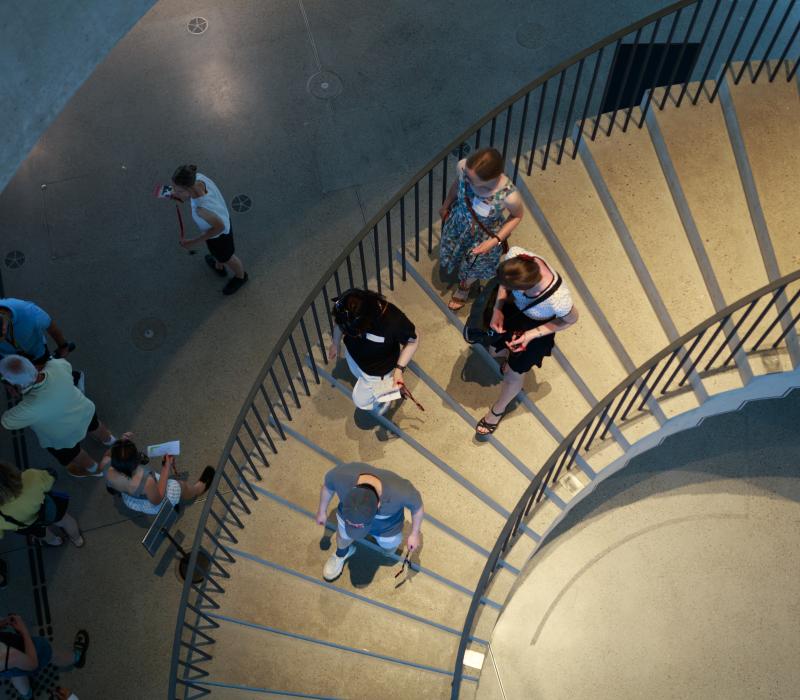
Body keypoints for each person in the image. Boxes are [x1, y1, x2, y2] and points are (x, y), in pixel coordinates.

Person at [476, 246, 578, 438]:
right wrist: (498, 308)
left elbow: (571, 319)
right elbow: (504, 286)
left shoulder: (558, 300)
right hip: (513, 313)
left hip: (534, 327)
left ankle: (497, 411)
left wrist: (532, 334)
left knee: (514, 375)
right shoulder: (517, 256)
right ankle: (506, 355)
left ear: (524, 289)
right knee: (495, 349)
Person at [0, 356, 114, 478]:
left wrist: (17, 394)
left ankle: (95, 469)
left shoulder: (26, 409)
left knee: (74, 453)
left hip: (64, 437)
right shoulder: (56, 366)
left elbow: (6, 421)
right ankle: (110, 441)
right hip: (85, 412)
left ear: (15, 386)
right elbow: (64, 364)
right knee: (96, 425)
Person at [438, 148, 524, 311]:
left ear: (490, 179)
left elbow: (517, 216)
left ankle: (464, 289)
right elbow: (457, 184)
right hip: (458, 224)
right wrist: (446, 205)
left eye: (471, 179)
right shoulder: (464, 168)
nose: (467, 178)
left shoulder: (508, 196)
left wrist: (495, 240)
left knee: (473, 267)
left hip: (483, 237)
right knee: (453, 254)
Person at [315, 462, 424, 582]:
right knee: (343, 536)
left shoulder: (400, 491)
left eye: (359, 527)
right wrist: (322, 511)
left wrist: (414, 534)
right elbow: (328, 486)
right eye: (353, 526)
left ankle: (386, 551)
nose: (355, 531)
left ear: (379, 504)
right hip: (346, 517)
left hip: (387, 527)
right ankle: (341, 553)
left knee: (390, 545)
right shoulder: (341, 476)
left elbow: (417, 507)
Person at [327, 289, 419, 415]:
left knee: (361, 401)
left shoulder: (393, 321)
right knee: (356, 373)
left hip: (376, 371)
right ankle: (382, 387)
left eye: (354, 331)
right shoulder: (351, 303)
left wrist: (398, 370)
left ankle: (386, 394)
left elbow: (413, 340)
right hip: (354, 355)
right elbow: (339, 324)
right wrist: (335, 342)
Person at [170, 164, 249, 296]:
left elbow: (219, 228)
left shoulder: (202, 209)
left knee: (228, 257)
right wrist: (179, 195)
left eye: (177, 190)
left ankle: (241, 277)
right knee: (218, 253)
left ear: (189, 189)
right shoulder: (198, 178)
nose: (173, 192)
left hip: (220, 236)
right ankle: (219, 266)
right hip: (216, 230)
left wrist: (193, 242)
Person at [103, 435, 214, 515]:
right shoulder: (146, 481)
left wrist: (121, 446)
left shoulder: (105, 464)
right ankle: (197, 490)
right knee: (180, 485)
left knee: (159, 479)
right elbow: (158, 499)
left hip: (129, 499)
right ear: (135, 460)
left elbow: (109, 453)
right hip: (150, 503)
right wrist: (166, 467)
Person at [0, 614, 88, 700]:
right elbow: (32, 663)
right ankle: (76, 657)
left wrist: (3, 622)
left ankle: (27, 696)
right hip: (20, 653)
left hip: (6, 666)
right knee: (49, 653)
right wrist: (23, 631)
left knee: (15, 674)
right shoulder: (9, 655)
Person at [0, 461, 83, 547]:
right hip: (49, 509)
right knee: (66, 521)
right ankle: (77, 539)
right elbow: (50, 479)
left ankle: (56, 542)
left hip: (27, 526)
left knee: (43, 535)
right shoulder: (30, 476)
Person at [0, 298, 73, 366]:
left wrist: (63, 346)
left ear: (3, 329)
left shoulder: (29, 313)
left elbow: (51, 327)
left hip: (37, 356)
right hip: (8, 362)